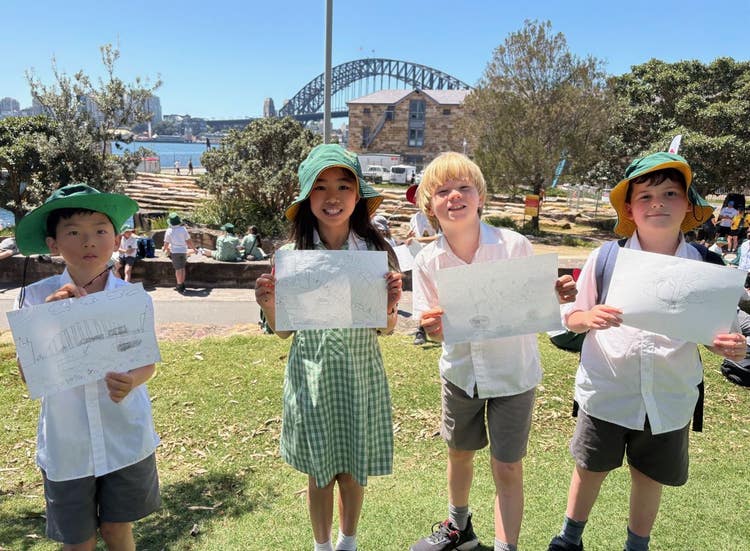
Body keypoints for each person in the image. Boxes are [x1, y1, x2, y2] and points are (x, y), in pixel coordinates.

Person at [546, 152, 745, 551]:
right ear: (630, 209)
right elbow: (570, 318)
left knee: (649, 476)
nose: (658, 203)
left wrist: (732, 347)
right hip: (607, 392)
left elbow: (718, 336)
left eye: (670, 193)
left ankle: (637, 545)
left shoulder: (706, 264)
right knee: (589, 469)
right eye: (645, 196)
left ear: (689, 205)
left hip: (670, 396)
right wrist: (589, 317)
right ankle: (569, 540)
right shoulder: (605, 258)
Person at [409, 152, 577, 551]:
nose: (454, 196)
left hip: (512, 375)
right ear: (429, 205)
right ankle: (459, 527)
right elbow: (429, 325)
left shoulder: (513, 245)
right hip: (460, 374)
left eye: (464, 187)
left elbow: (539, 305)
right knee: (459, 453)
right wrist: (430, 328)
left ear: (480, 196)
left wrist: (558, 297)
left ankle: (506, 547)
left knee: (507, 465)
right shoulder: (428, 260)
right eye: (442, 191)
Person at [254, 143, 403, 551]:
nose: (332, 197)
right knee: (319, 474)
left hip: (360, 375)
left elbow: (385, 329)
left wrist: (390, 307)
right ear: (306, 198)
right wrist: (269, 303)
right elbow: (284, 332)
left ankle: (347, 542)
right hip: (312, 377)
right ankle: (321, 547)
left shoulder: (374, 253)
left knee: (354, 472)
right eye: (319, 187)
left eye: (343, 186)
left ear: (358, 196)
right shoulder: (291, 256)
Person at [12, 183, 161, 549]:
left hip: (124, 436)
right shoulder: (34, 298)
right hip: (69, 442)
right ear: (53, 245)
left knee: (118, 530)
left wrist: (131, 380)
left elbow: (148, 364)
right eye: (73, 233)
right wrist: (49, 318)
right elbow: (29, 374)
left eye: (100, 231)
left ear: (116, 238)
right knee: (77, 541)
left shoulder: (130, 298)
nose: (89, 242)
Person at [405, 183, 439, 346]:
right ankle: (421, 330)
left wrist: (418, 240)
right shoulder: (415, 218)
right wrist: (409, 240)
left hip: (435, 257)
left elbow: (440, 237)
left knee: (435, 294)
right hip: (419, 258)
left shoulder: (436, 216)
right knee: (420, 295)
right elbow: (413, 238)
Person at [162, 212, 194, 293]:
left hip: (175, 252)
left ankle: (179, 285)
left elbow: (166, 243)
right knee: (182, 268)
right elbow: (188, 241)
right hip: (183, 251)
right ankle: (182, 284)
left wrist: (164, 249)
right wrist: (194, 249)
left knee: (178, 269)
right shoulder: (183, 229)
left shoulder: (169, 231)